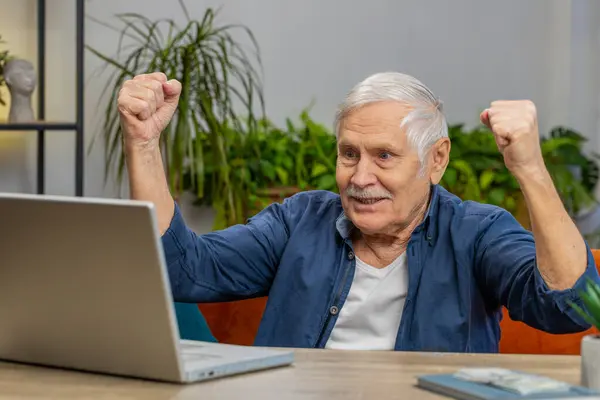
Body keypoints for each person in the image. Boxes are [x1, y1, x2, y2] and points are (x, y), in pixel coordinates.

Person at [118, 71, 600, 352]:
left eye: (384, 156)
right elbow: (182, 272)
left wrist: (531, 169)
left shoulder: (478, 231)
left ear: (436, 160)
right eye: (349, 154)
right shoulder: (299, 220)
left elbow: (569, 308)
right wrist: (143, 144)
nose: (360, 176)